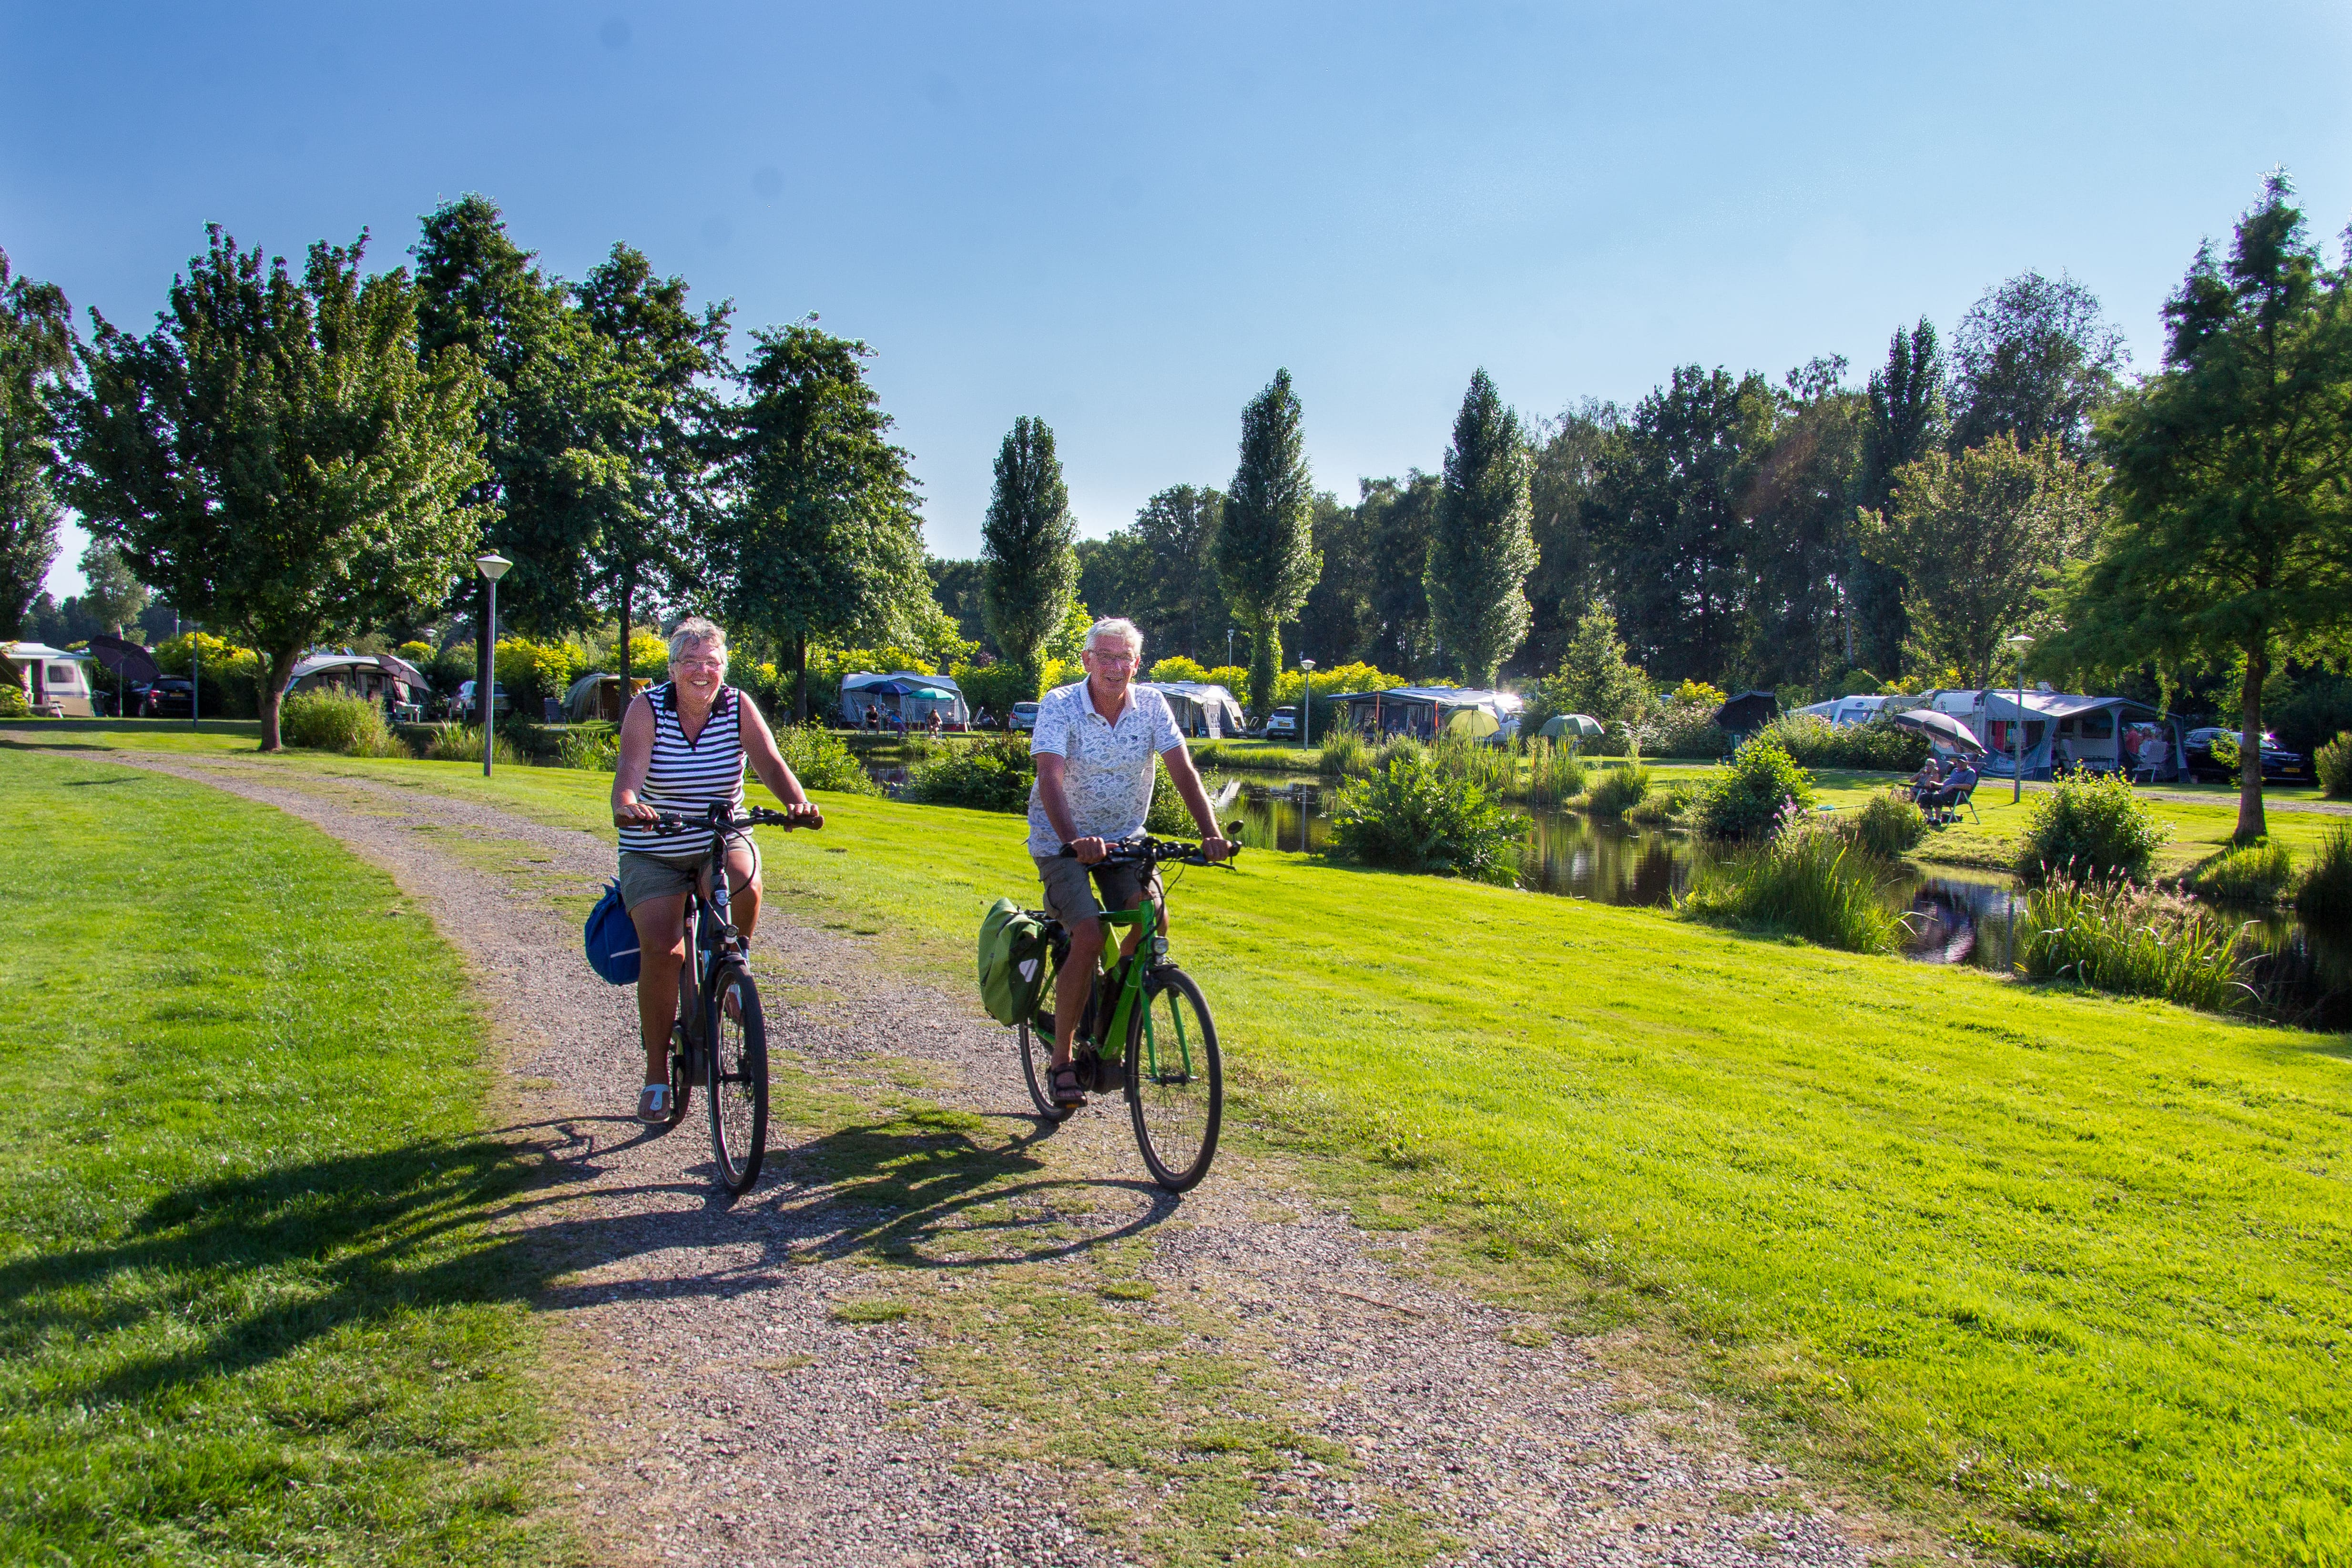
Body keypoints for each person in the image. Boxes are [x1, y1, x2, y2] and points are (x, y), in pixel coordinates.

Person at [612, 618, 821, 1122]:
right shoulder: (647, 709)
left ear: (723, 667)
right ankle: (658, 1071)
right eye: (692, 662)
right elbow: (629, 774)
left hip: (717, 835)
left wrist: (798, 803)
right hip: (654, 845)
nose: (703, 672)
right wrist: (628, 803)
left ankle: (729, 967)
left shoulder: (737, 705)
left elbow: (769, 761)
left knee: (745, 881)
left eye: (713, 662)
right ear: (673, 668)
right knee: (665, 950)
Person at [1029, 617, 1232, 1110]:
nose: (1116, 668)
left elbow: (1182, 768)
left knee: (1154, 916)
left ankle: (1105, 1008)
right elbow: (1050, 777)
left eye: (1125, 658)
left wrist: (1211, 832)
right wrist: (1074, 839)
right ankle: (1061, 1061)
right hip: (1062, 843)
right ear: (1087, 661)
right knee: (1090, 932)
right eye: (1106, 657)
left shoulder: (1152, 707)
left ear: (1137, 663)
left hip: (1125, 842)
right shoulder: (1061, 705)